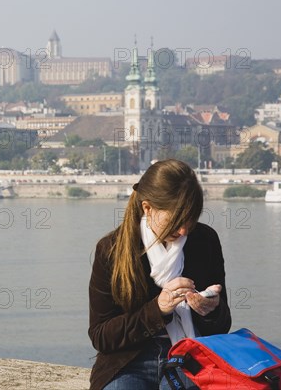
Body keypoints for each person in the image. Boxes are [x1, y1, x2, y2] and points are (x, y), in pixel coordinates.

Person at [88, 159, 231, 390]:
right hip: (127, 362)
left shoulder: (205, 240)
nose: (184, 230)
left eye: (191, 219)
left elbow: (222, 326)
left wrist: (210, 311)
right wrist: (158, 310)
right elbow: (101, 336)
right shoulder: (112, 249)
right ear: (147, 208)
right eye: (175, 220)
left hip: (190, 357)